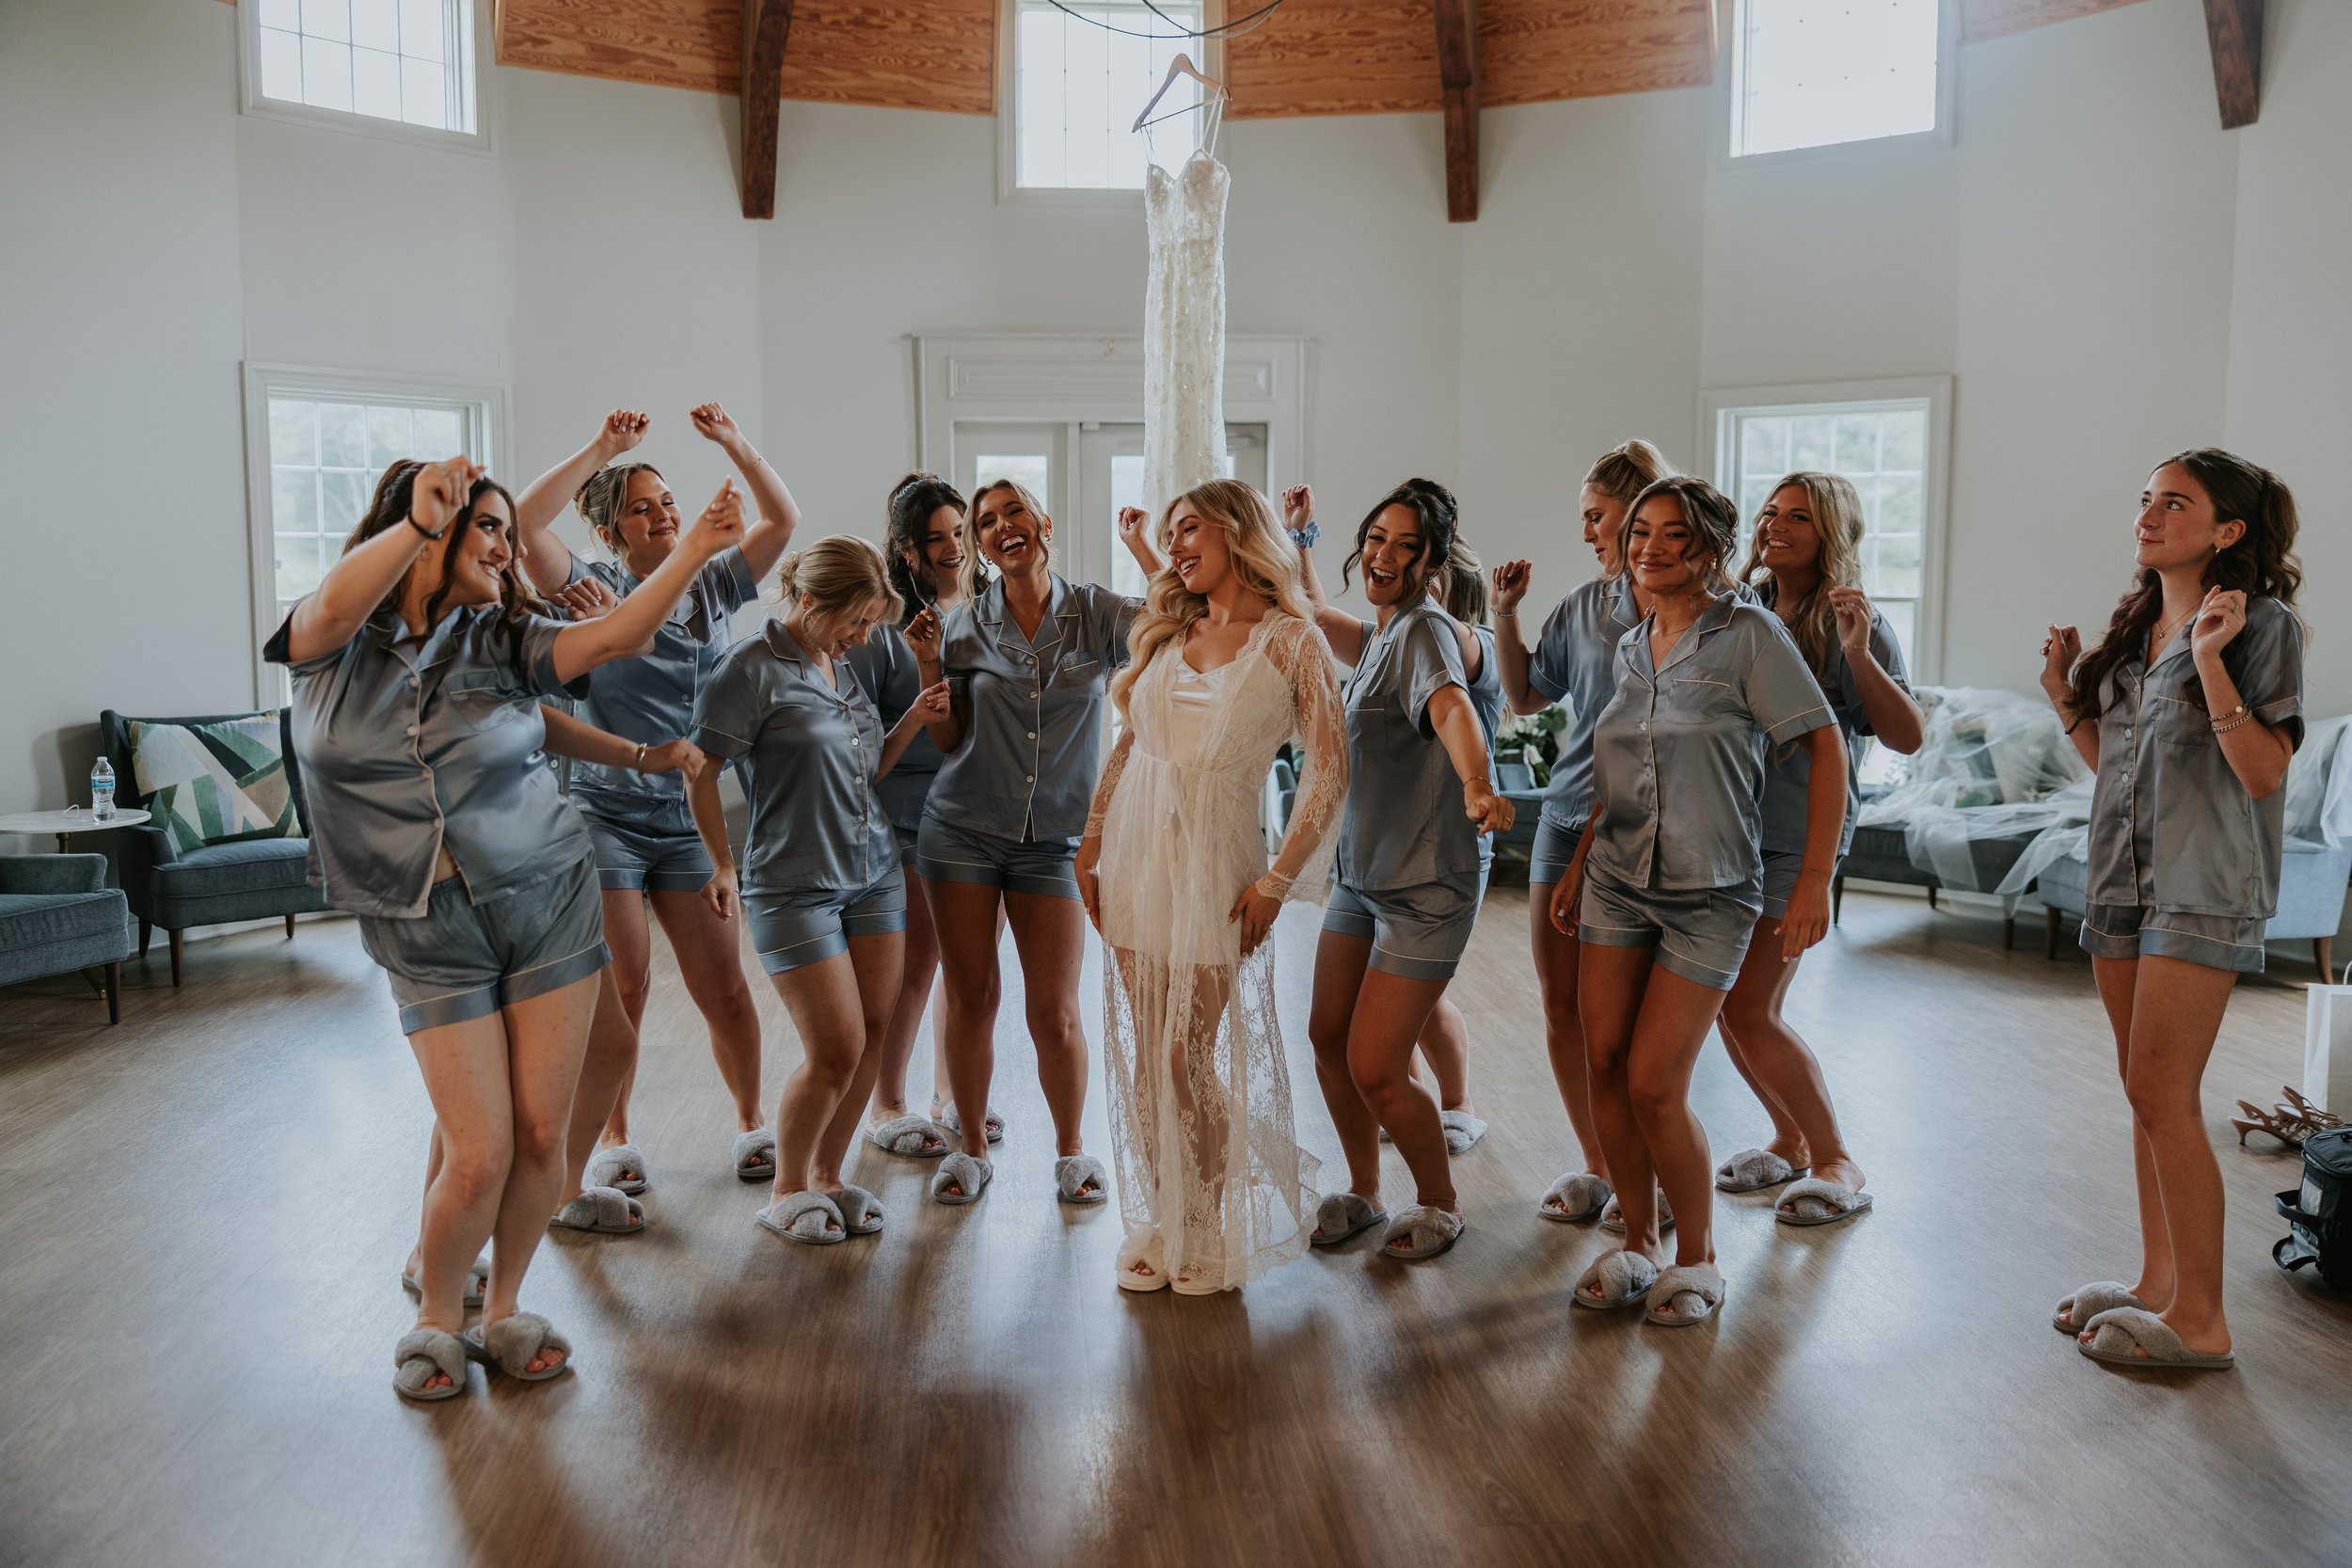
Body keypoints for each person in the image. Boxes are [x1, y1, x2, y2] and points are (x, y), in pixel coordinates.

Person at [269, 455, 744, 1400]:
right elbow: (340, 593)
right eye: (483, 525)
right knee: (477, 1145)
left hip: (548, 892)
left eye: (502, 526)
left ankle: (506, 1305)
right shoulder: (329, 640)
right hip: (421, 916)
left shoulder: (502, 637)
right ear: (425, 532)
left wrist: (692, 548)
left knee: (537, 1130)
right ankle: (435, 1312)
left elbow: (610, 637)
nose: (503, 541)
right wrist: (415, 523)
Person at [1551, 476, 1844, 1327]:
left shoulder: (1747, 633)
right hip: (1615, 879)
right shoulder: (1632, 642)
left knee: (1653, 1082)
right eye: (1640, 529)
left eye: (1672, 533)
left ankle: (1698, 1255)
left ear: (1709, 547)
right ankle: (1639, 1239)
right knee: (1603, 1060)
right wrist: (1578, 860)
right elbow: (1621, 765)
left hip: (1710, 892)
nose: (1649, 545)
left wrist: (1814, 879)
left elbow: (1823, 747)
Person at [2042, 449, 2303, 1370]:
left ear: (2226, 529)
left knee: (2163, 1088)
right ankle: (2156, 1282)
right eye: (2145, 498)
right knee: (2142, 1092)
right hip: (2120, 879)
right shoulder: (2132, 630)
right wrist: (2064, 702)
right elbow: (2113, 771)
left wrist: (2209, 661)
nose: (2148, 514)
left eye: (2174, 502)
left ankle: (2201, 1318)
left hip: (2204, 884)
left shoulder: (2257, 624)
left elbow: (2264, 771)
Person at [510, 404, 802, 1200]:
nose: (664, 514)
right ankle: (615, 1137)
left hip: (691, 818)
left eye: (667, 500)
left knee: (726, 985)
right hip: (605, 814)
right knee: (626, 984)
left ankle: (750, 1122)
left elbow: (783, 519)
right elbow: (523, 524)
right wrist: (602, 447)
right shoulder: (589, 589)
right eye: (642, 507)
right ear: (612, 533)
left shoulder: (713, 583)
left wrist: (737, 444)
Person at [1073, 482, 1347, 1294]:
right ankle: (1167, 1214)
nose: (1177, 544)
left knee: (1182, 1054)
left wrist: (1276, 880)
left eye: (1189, 528)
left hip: (1219, 864)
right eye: (1169, 534)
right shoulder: (1172, 629)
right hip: (1132, 854)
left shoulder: (1293, 640)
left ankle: (1209, 1222)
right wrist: (1088, 843)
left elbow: (1330, 769)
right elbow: (1130, 745)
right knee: (1147, 1059)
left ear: (1236, 530)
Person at [687, 536, 949, 1244]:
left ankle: (829, 1176)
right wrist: (719, 861)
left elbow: (866, 767)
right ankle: (786, 1189)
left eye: (869, 623)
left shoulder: (838, 662)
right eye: (856, 621)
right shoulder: (751, 668)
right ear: (809, 601)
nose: (864, 637)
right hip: (792, 884)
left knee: (870, 1034)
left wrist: (913, 720)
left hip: (873, 874)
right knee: (833, 1045)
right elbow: (699, 769)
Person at [1292, 479, 1513, 1262]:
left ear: (1432, 560)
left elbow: (1451, 706)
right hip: (1362, 869)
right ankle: (1365, 1188)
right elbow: (1323, 619)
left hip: (1427, 880)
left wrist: (1480, 782)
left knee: (1377, 1066)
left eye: (1404, 545)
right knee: (1326, 1035)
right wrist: (1303, 540)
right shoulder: (1386, 631)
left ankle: (1440, 1201)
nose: (1384, 555)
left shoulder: (1424, 633)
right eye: (1376, 539)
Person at [907, 479, 1141, 1206]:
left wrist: (1143, 545)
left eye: (1015, 513)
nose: (1003, 528)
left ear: (1043, 521)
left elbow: (1182, 624)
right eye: (986, 523)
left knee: (1056, 1009)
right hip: (962, 832)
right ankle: (970, 1146)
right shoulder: (960, 626)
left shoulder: (1098, 612)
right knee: (972, 996)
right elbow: (949, 737)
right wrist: (926, 672)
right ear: (979, 545)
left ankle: (1072, 1151)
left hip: (1056, 840)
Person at [1711, 472, 1923, 1225]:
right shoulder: (1739, 609)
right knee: (1732, 1010)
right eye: (1770, 511)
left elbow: (1905, 735)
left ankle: (1836, 1155)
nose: (1776, 524)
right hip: (1729, 833)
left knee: (1748, 1006)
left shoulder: (1848, 618)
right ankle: (1790, 1137)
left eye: (1797, 516)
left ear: (1831, 530)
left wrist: (1860, 652)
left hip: (1799, 843)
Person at [1487, 439, 1677, 1227]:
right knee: (1561, 1006)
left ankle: (1655, 1176)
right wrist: (1503, 615)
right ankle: (1600, 1164)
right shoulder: (1582, 606)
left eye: (1596, 517)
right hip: (1563, 820)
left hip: (1642, 833)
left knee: (1623, 1029)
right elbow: (1528, 696)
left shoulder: (1690, 609)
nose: (1589, 533)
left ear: (1638, 514)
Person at [843, 475, 974, 1161]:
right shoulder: (881, 625)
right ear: (908, 550)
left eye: (959, 532)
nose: (953, 548)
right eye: (936, 538)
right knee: (916, 959)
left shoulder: (985, 613)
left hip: (974, 810)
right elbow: (856, 733)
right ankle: (885, 1101)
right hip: (900, 813)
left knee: (965, 961)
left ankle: (953, 1096)